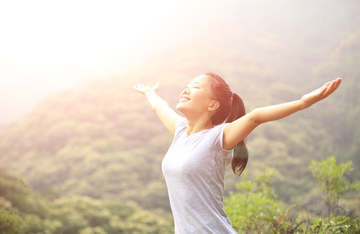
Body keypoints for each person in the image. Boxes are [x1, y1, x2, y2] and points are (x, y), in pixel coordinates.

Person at [133, 72, 342, 234]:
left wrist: (304, 102)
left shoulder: (218, 137)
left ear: (212, 104)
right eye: (186, 86)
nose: (185, 90)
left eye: (195, 87)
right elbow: (159, 107)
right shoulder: (180, 131)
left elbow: (255, 117)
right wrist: (150, 92)